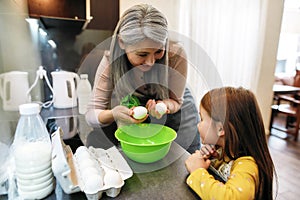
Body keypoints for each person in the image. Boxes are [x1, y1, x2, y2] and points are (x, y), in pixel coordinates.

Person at [85, 4, 200, 153]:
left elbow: (176, 101)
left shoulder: (175, 54)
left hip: (179, 113)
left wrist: (164, 106)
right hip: (143, 116)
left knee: (182, 161)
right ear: (122, 42)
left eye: (159, 51)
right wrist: (113, 113)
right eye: (142, 54)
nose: (151, 62)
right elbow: (91, 114)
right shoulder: (110, 63)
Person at [185, 87, 277, 200]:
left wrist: (197, 171)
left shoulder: (248, 166)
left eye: (202, 119)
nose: (198, 124)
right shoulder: (224, 150)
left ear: (220, 129)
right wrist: (213, 159)